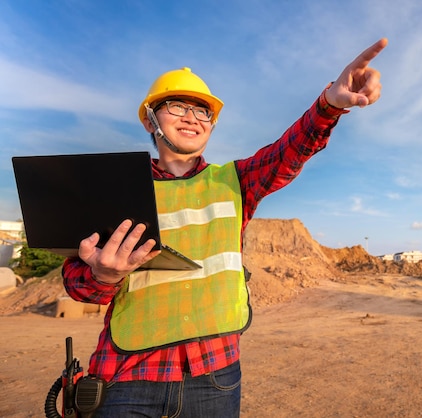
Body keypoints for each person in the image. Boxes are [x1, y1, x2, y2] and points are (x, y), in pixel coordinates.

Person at [62, 38, 387, 417]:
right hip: (128, 377)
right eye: (178, 106)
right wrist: (101, 274)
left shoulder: (235, 181)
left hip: (213, 377)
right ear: (151, 119)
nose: (192, 118)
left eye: (203, 112)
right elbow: (76, 283)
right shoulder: (114, 192)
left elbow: (290, 150)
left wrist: (329, 105)